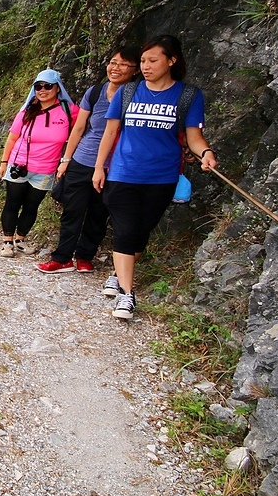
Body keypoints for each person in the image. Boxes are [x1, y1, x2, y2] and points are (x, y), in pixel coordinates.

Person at [92, 34, 217, 319]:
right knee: (124, 230)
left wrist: (206, 153)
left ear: (171, 61)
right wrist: (100, 167)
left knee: (140, 233)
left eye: (152, 60)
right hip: (124, 172)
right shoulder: (127, 92)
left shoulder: (188, 96)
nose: (145, 66)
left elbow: (195, 137)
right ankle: (126, 295)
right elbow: (109, 132)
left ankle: (117, 273)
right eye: (143, 61)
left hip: (162, 177)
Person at [37, 46, 140, 274]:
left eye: (123, 64)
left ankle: (85, 256)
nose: (116, 68)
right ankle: (62, 258)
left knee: (99, 213)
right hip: (83, 160)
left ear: (135, 70)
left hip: (115, 166)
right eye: (113, 62)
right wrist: (66, 159)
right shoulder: (95, 92)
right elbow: (79, 128)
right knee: (72, 211)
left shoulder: (138, 95)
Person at [0, 69, 79, 258]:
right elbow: (12, 138)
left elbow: (79, 132)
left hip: (46, 169)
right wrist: (4, 162)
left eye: (48, 86)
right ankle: (7, 242)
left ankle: (20, 239)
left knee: (31, 206)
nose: (43, 90)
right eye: (38, 86)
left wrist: (66, 160)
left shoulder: (69, 111)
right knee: (12, 203)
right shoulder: (27, 111)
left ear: (57, 88)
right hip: (19, 165)